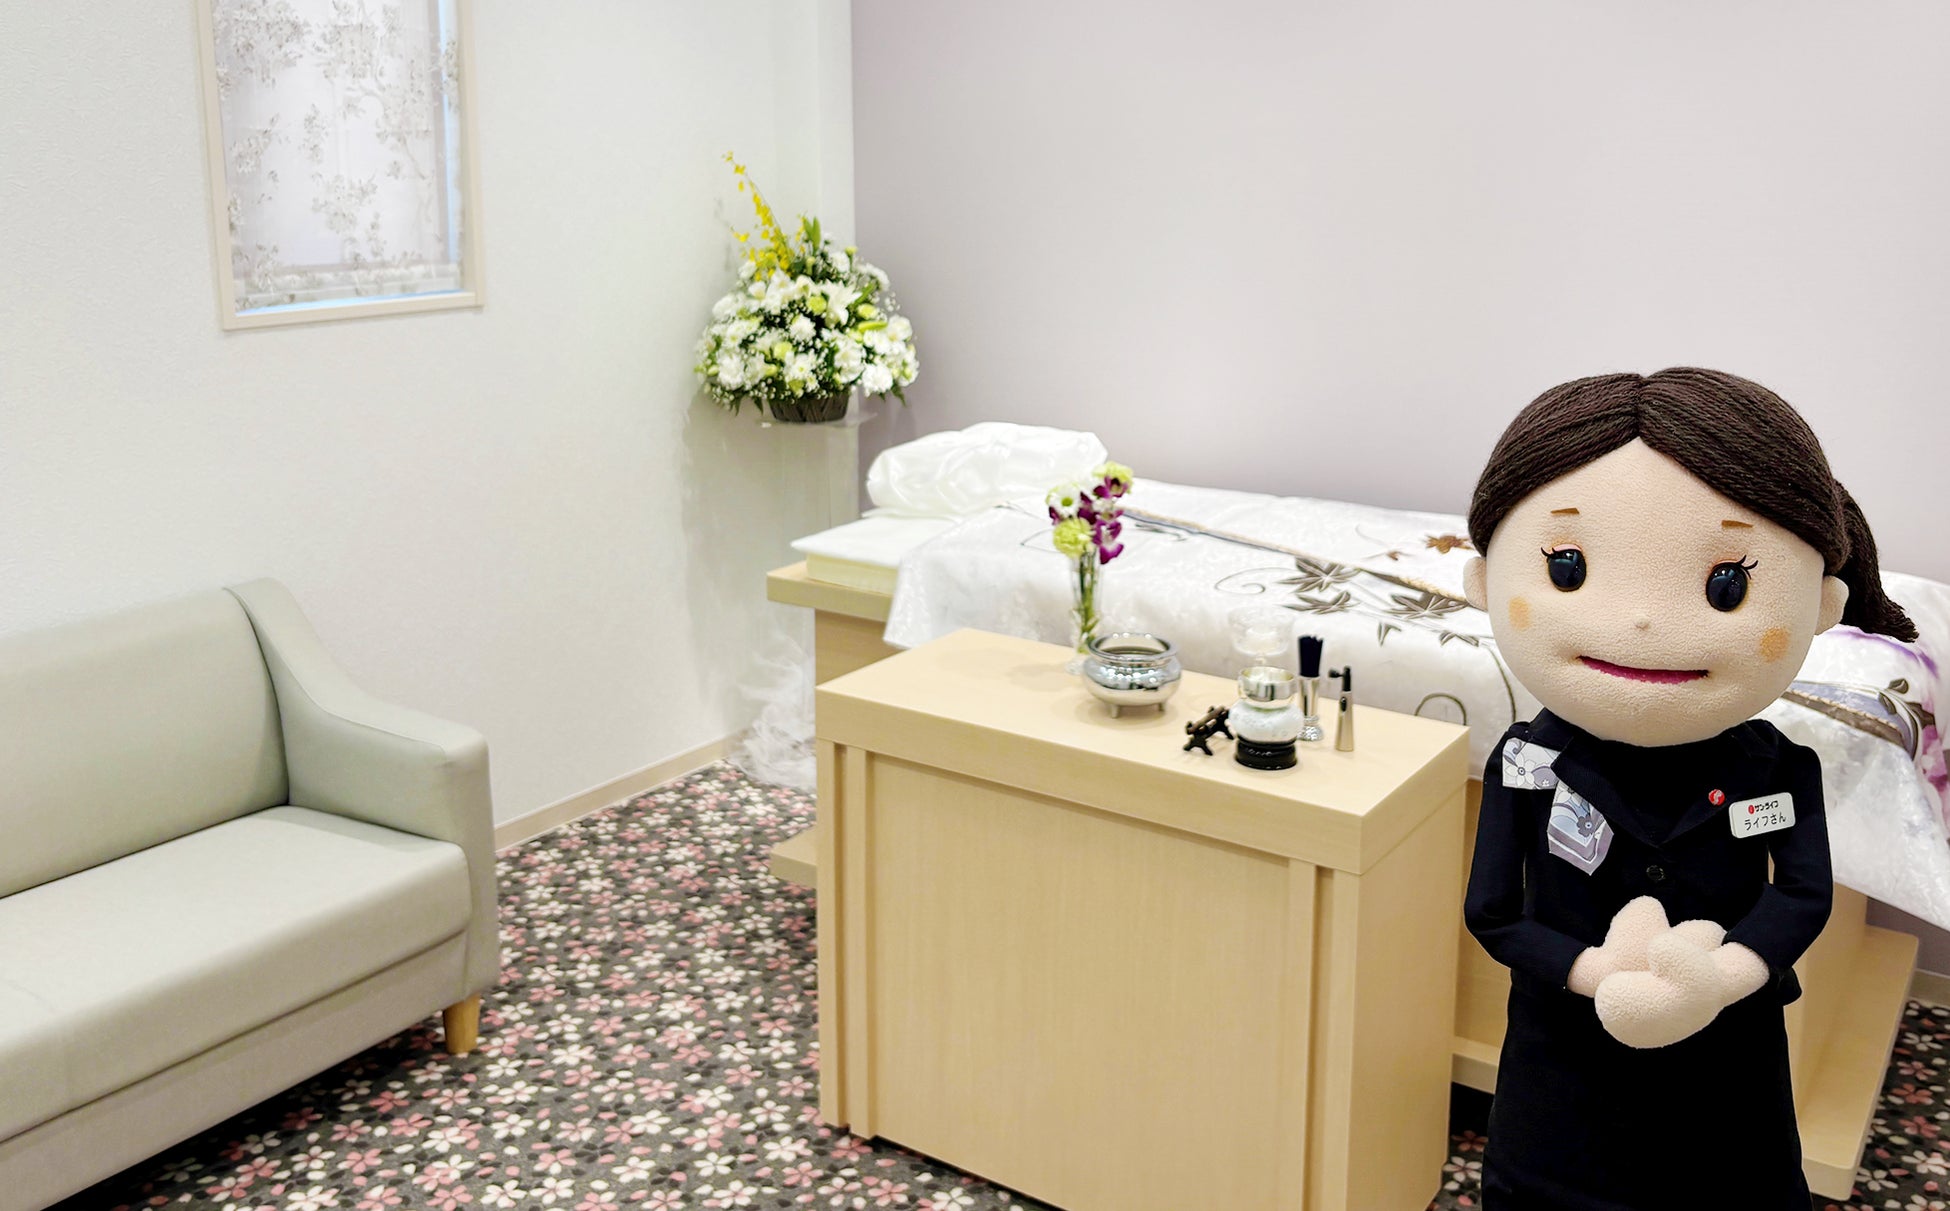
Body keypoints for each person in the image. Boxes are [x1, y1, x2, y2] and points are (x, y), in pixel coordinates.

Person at [1460, 367, 1916, 1209]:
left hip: (1728, 1051)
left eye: (1725, 584)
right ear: (1486, 583)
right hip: (1564, 1053)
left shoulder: (1778, 769)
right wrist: (1593, 973)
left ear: (1822, 605)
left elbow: (1802, 896)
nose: (1640, 621)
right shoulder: (1526, 760)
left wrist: (1725, 975)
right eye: (1568, 567)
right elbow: (1493, 911)